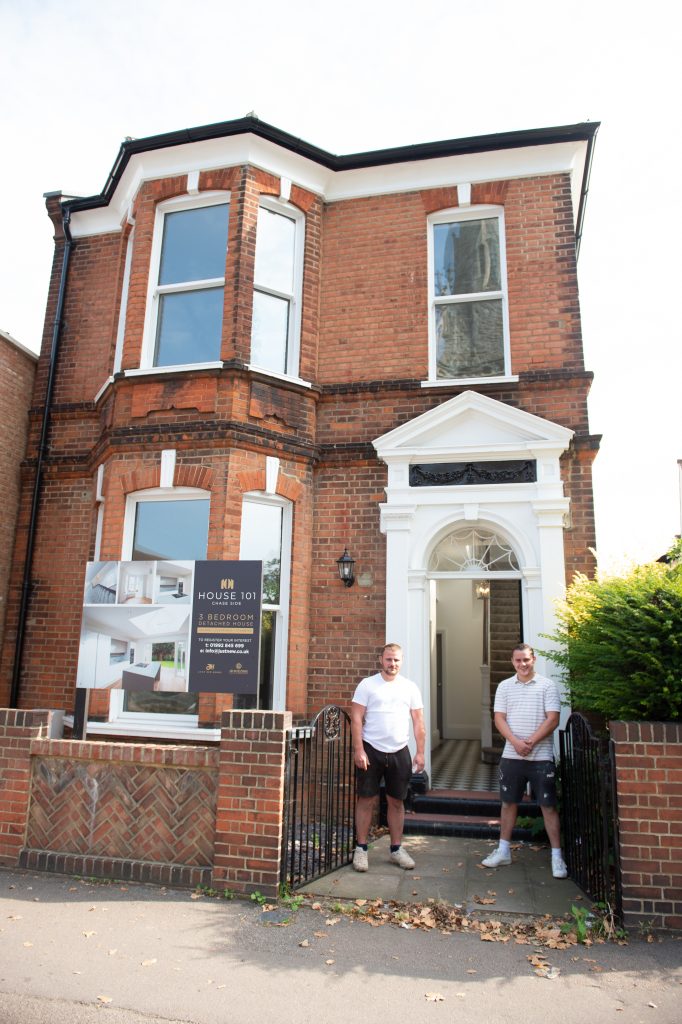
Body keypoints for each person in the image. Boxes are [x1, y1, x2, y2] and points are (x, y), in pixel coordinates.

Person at [482, 643, 568, 879]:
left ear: (534, 659)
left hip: (541, 757)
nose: (522, 664)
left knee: (548, 806)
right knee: (508, 803)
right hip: (511, 756)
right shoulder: (504, 686)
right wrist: (516, 742)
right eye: (518, 660)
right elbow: (499, 718)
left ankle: (557, 856)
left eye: (526, 660)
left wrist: (529, 741)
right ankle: (503, 851)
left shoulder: (547, 686)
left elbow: (553, 719)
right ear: (512, 662)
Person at [350, 643, 425, 872]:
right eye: (389, 659)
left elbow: (418, 722)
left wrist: (420, 752)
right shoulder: (368, 685)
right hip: (371, 750)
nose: (393, 664)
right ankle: (361, 849)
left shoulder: (410, 687)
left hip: (399, 751)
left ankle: (396, 849)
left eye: (397, 660)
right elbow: (355, 718)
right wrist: (359, 749)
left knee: (396, 801)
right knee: (366, 799)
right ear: (381, 660)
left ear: (402, 661)